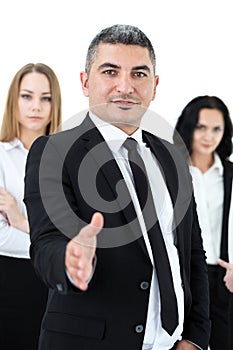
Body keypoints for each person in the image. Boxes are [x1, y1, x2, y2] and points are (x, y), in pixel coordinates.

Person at [24, 25, 210, 350]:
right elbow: (46, 242)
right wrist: (70, 260)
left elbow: (192, 252)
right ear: (85, 82)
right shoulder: (54, 152)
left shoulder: (173, 157)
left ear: (154, 86)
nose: (125, 87)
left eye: (139, 74)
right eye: (110, 71)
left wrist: (194, 337)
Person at [0, 63, 62, 349]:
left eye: (45, 98)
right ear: (14, 100)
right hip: (9, 281)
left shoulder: (67, 161)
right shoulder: (1, 156)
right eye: (27, 96)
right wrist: (52, 244)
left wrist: (19, 219)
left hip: (55, 288)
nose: (36, 106)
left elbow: (72, 234)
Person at [173, 95, 233, 350]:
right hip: (184, 275)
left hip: (224, 278)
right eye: (201, 127)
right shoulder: (171, 172)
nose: (209, 136)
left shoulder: (230, 174)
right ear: (189, 128)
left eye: (216, 129)